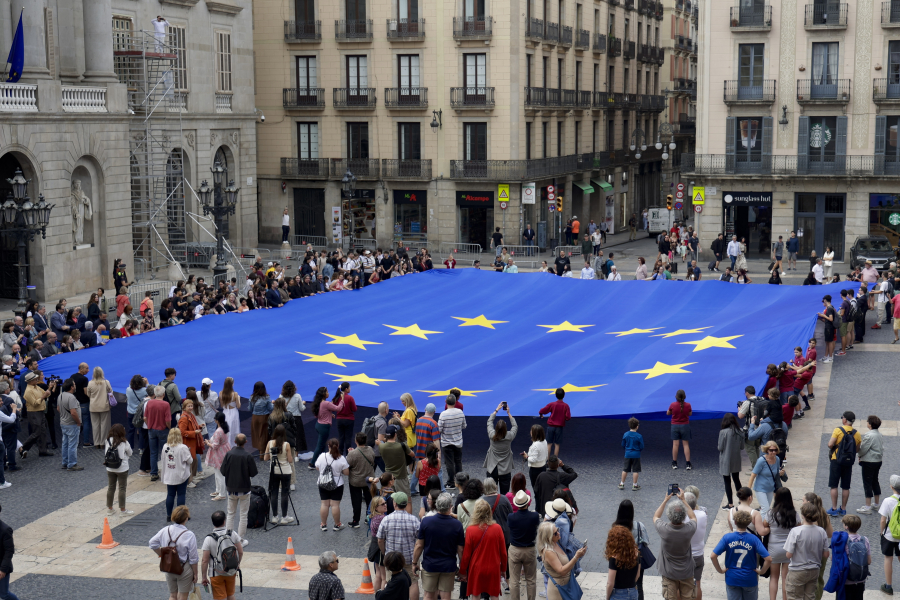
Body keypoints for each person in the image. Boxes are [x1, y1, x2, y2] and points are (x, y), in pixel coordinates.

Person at [414, 492, 466, 600]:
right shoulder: (457, 525)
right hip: (448, 565)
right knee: (446, 595)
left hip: (430, 564)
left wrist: (414, 562)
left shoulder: (426, 521)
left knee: (428, 595)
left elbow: (419, 545)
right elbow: (460, 549)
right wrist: (462, 567)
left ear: (436, 505)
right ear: (450, 507)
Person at [711, 509, 771, 600]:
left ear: (734, 522)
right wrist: (762, 571)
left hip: (732, 578)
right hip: (749, 578)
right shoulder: (754, 539)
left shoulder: (727, 538)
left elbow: (713, 556)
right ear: (748, 523)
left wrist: (720, 570)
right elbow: (768, 559)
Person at [459, 499, 508, 600]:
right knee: (494, 594)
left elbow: (466, 554)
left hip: (476, 567)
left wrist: (463, 571)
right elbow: (503, 552)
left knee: (476, 594)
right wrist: (503, 569)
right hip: (493, 567)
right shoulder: (497, 528)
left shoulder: (470, 530)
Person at [653, 490, 697, 600]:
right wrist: (683, 500)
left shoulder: (665, 530)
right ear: (683, 515)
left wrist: (665, 500)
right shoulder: (689, 529)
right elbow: (693, 517)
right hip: (687, 572)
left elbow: (656, 516)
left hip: (669, 573)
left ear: (669, 515)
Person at [149, 505, 198, 600]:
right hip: (184, 568)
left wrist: (161, 554)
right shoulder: (189, 535)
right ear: (186, 518)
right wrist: (195, 574)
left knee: (172, 596)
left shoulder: (165, 530)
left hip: (169, 566)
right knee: (182, 597)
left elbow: (152, 543)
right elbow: (193, 558)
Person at [377, 492, 420, 599]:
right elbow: (419, 541)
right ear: (405, 504)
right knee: (413, 583)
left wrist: (384, 552)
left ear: (395, 504)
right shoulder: (414, 520)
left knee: (388, 582)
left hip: (392, 559)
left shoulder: (386, 519)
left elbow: (380, 540)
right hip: (410, 558)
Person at [784, 502, 830, 600]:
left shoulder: (796, 531)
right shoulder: (821, 531)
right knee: (810, 597)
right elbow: (826, 554)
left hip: (797, 570)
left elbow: (788, 555)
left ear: (802, 515)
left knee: (795, 597)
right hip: (814, 570)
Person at [220, 434, 258, 547]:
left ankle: (229, 538)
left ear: (234, 441)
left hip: (231, 489)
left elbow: (223, 471)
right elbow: (253, 473)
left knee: (230, 514)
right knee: (243, 515)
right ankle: (240, 540)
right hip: (245, 489)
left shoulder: (229, 454)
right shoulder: (247, 455)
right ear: (245, 442)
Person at [200, 510, 243, 600]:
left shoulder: (209, 539)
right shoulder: (232, 534)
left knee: (220, 598)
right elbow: (240, 551)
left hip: (215, 573)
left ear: (213, 522)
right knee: (230, 595)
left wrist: (204, 576)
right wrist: (237, 564)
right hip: (231, 570)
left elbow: (205, 560)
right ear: (224, 521)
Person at [537, 521, 586, 600]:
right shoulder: (549, 551)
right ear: (548, 536)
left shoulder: (556, 543)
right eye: (555, 533)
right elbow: (561, 571)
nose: (559, 533)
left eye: (558, 530)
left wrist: (579, 554)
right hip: (558, 590)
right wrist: (576, 557)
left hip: (566, 585)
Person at [826, 411, 862, 516]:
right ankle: (844, 508)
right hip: (848, 462)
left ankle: (834, 508)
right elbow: (857, 449)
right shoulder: (857, 433)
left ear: (845, 420)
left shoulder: (838, 430)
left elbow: (830, 444)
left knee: (834, 485)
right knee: (846, 486)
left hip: (836, 460)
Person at [507, 490, 540, 600]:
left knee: (514, 580)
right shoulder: (534, 516)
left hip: (515, 549)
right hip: (529, 549)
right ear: (527, 503)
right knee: (531, 580)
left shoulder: (511, 517)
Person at [316, 438, 350, 531]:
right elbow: (346, 472)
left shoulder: (322, 456)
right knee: (335, 505)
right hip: (337, 484)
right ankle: (337, 524)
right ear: (338, 446)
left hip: (323, 482)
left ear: (328, 446)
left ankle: (323, 524)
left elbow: (317, 467)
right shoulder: (341, 458)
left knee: (324, 504)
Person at [484, 403, 518, 495]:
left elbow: (489, 422)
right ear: (505, 429)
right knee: (505, 494)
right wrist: (509, 413)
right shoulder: (510, 436)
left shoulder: (492, 435)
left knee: (491, 493)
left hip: (492, 468)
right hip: (505, 469)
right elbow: (515, 426)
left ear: (496, 428)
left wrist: (496, 410)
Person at [264, 424, 294, 525]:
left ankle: (275, 516)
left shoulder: (270, 443)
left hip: (273, 471)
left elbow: (265, 458)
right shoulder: (287, 445)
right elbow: (290, 460)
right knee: (285, 493)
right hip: (285, 471)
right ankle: (284, 517)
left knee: (274, 493)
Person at [162, 427, 193, 522]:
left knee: (170, 495)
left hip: (169, 474)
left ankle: (168, 515)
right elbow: (190, 461)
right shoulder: (182, 447)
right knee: (181, 494)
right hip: (181, 475)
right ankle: (181, 515)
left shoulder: (165, 446)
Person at [20, 372, 54, 458]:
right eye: (35, 378)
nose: (37, 379)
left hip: (40, 411)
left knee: (42, 431)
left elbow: (46, 393)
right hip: (34, 413)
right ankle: (23, 448)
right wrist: (44, 396)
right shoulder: (28, 391)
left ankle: (43, 451)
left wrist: (50, 387)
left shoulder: (36, 387)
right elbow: (35, 403)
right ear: (31, 381)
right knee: (36, 433)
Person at [309, 387, 344, 469]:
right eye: (327, 392)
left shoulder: (318, 403)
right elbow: (338, 408)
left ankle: (322, 461)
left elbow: (317, 414)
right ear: (323, 394)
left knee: (323, 444)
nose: (328, 393)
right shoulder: (326, 403)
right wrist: (342, 399)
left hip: (318, 425)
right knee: (320, 445)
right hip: (324, 427)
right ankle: (312, 463)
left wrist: (329, 414)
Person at [103, 423, 134, 517]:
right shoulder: (124, 442)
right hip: (122, 468)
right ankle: (123, 510)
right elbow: (130, 453)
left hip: (110, 467)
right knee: (122, 488)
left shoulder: (107, 440)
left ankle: (110, 509)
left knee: (111, 487)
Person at [347, 432, 375, 528]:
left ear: (356, 441)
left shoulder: (352, 454)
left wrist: (349, 453)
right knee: (369, 500)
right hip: (369, 480)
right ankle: (369, 518)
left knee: (356, 501)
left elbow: (348, 464)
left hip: (356, 481)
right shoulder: (370, 449)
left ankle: (356, 521)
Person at [747, 441, 784, 514]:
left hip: (770, 488)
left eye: (775, 450)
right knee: (766, 509)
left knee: (765, 509)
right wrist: (748, 492)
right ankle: (763, 525)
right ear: (767, 450)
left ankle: (759, 521)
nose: (773, 452)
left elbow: (776, 474)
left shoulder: (777, 459)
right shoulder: (761, 461)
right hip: (760, 488)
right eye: (771, 450)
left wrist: (781, 473)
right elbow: (753, 475)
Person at [605, 524, 641, 600]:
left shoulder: (614, 558)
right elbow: (638, 574)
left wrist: (607, 597)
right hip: (633, 591)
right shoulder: (636, 553)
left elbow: (610, 583)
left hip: (618, 594)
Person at [683, 489, 707, 600]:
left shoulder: (682, 518)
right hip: (698, 555)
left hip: (684, 556)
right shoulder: (703, 515)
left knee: (680, 584)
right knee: (697, 583)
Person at [857, 415, 884, 515]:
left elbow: (863, 449)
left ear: (870, 424)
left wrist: (859, 455)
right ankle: (876, 504)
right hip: (878, 460)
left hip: (869, 461)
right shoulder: (879, 434)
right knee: (875, 481)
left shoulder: (869, 435)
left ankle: (867, 506)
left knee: (867, 482)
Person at [438, 395, 466, 487]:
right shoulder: (460, 412)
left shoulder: (443, 414)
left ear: (445, 401)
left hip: (446, 442)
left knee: (449, 463)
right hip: (458, 441)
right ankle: (460, 481)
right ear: (455, 401)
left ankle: (451, 482)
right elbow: (464, 426)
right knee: (458, 461)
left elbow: (439, 429)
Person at [879, 475, 900, 595]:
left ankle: (888, 586)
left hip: (890, 535)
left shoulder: (888, 501)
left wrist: (882, 532)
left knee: (888, 558)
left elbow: (883, 520)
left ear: (891, 486)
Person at [718, 413, 744, 509]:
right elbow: (742, 447)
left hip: (725, 459)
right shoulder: (740, 431)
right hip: (736, 458)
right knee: (737, 480)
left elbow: (720, 447)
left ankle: (730, 504)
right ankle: (742, 501)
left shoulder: (723, 432)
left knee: (727, 481)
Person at [177, 399, 204, 488]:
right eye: (188, 406)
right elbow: (182, 432)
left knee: (194, 460)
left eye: (191, 406)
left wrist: (199, 427)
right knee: (190, 462)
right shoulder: (184, 418)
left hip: (192, 442)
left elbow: (193, 427)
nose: (191, 408)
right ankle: (189, 481)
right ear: (184, 407)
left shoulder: (191, 415)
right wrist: (194, 433)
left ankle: (191, 478)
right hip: (187, 443)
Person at [204, 412, 231, 501]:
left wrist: (208, 443)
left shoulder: (218, 431)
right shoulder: (224, 428)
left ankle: (222, 493)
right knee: (217, 472)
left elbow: (215, 445)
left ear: (216, 420)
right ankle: (218, 490)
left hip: (219, 453)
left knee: (220, 474)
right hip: (224, 450)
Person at [57, 378, 82, 472]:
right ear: (72, 387)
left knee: (65, 443)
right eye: (74, 384)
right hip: (72, 424)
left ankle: (65, 462)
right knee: (72, 444)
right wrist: (78, 422)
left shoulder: (61, 395)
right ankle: (72, 464)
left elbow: (58, 409)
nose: (75, 386)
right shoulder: (71, 397)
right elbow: (73, 412)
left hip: (63, 423)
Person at [539, 389, 570, 457]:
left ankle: (547, 460)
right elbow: (568, 417)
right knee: (557, 444)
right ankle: (554, 461)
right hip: (559, 427)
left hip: (550, 426)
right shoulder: (566, 406)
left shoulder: (552, 404)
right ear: (564, 395)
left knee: (549, 443)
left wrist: (541, 414)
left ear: (555, 395)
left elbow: (543, 410)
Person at [668, 390, 692, 470]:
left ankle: (674, 462)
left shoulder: (673, 405)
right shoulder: (688, 405)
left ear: (676, 396)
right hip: (685, 425)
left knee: (675, 444)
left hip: (675, 425)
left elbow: (668, 413)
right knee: (685, 444)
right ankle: (688, 463)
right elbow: (690, 414)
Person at [620, 417, 644, 491]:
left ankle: (622, 483)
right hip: (636, 455)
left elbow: (622, 444)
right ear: (637, 426)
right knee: (635, 470)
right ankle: (634, 485)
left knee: (625, 469)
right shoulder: (639, 436)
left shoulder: (626, 434)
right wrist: (638, 450)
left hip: (627, 454)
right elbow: (642, 446)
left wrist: (626, 449)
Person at [334, 382, 357, 456]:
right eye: (349, 387)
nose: (350, 389)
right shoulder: (350, 398)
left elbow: (334, 407)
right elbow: (354, 409)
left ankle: (340, 454)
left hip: (339, 420)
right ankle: (348, 455)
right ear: (346, 389)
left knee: (341, 437)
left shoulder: (337, 397)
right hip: (349, 420)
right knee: (348, 438)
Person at [522, 425, 548, 489]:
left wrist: (526, 457)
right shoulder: (544, 441)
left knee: (536, 489)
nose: (530, 432)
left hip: (535, 470)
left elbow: (533, 459)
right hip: (543, 467)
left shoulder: (535, 445)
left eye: (532, 431)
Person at [219, 378, 241, 448]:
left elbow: (222, 405)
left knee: (226, 428)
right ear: (232, 384)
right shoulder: (235, 394)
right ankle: (234, 444)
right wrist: (239, 399)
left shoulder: (221, 393)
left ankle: (226, 444)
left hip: (225, 412)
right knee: (234, 428)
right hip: (234, 412)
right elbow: (238, 406)